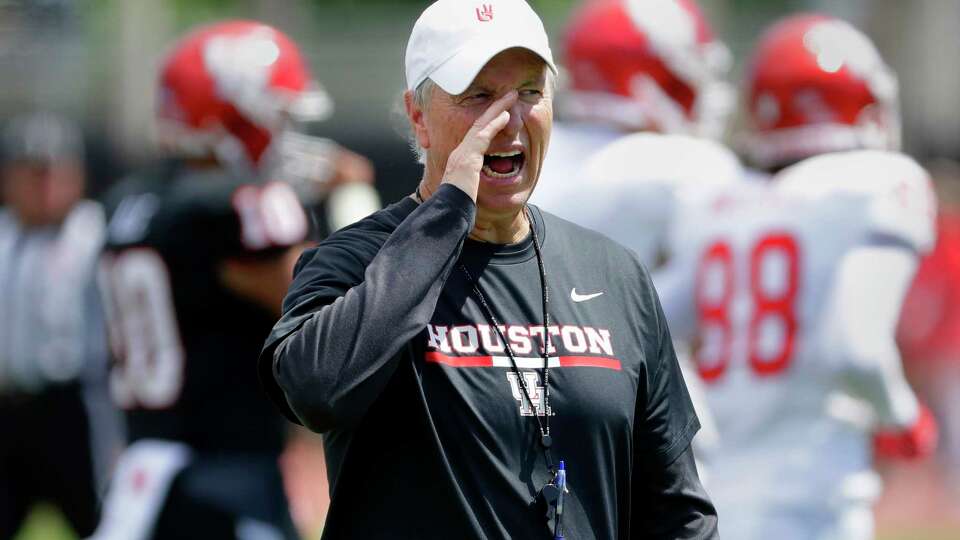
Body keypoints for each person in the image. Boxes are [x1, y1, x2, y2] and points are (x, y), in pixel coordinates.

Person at [258, 1, 717, 538]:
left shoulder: (614, 273)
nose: (508, 119)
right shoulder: (354, 259)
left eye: (529, 91)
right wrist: (447, 213)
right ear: (418, 117)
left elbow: (676, 507)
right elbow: (314, 390)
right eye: (478, 96)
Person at [654, 14, 937, 540]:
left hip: (712, 496)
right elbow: (857, 347)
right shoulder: (874, 184)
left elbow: (649, 326)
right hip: (812, 496)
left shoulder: (715, 200)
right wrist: (902, 417)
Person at [91, 20, 376, 540]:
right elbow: (331, 311)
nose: (285, 135)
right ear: (228, 115)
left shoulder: (127, 205)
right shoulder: (235, 207)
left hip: (143, 475)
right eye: (275, 117)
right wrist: (354, 214)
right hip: (222, 482)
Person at [529, 0, 740, 472]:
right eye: (677, 80)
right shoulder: (680, 165)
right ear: (644, 78)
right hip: (635, 412)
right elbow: (687, 309)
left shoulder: (529, 155)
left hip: (522, 400)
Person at [0, 112, 111, 538]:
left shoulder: (98, 235)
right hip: (10, 407)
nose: (44, 187)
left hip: (74, 408)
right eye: (32, 175)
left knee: (101, 523)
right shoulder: (6, 236)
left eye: (53, 173)